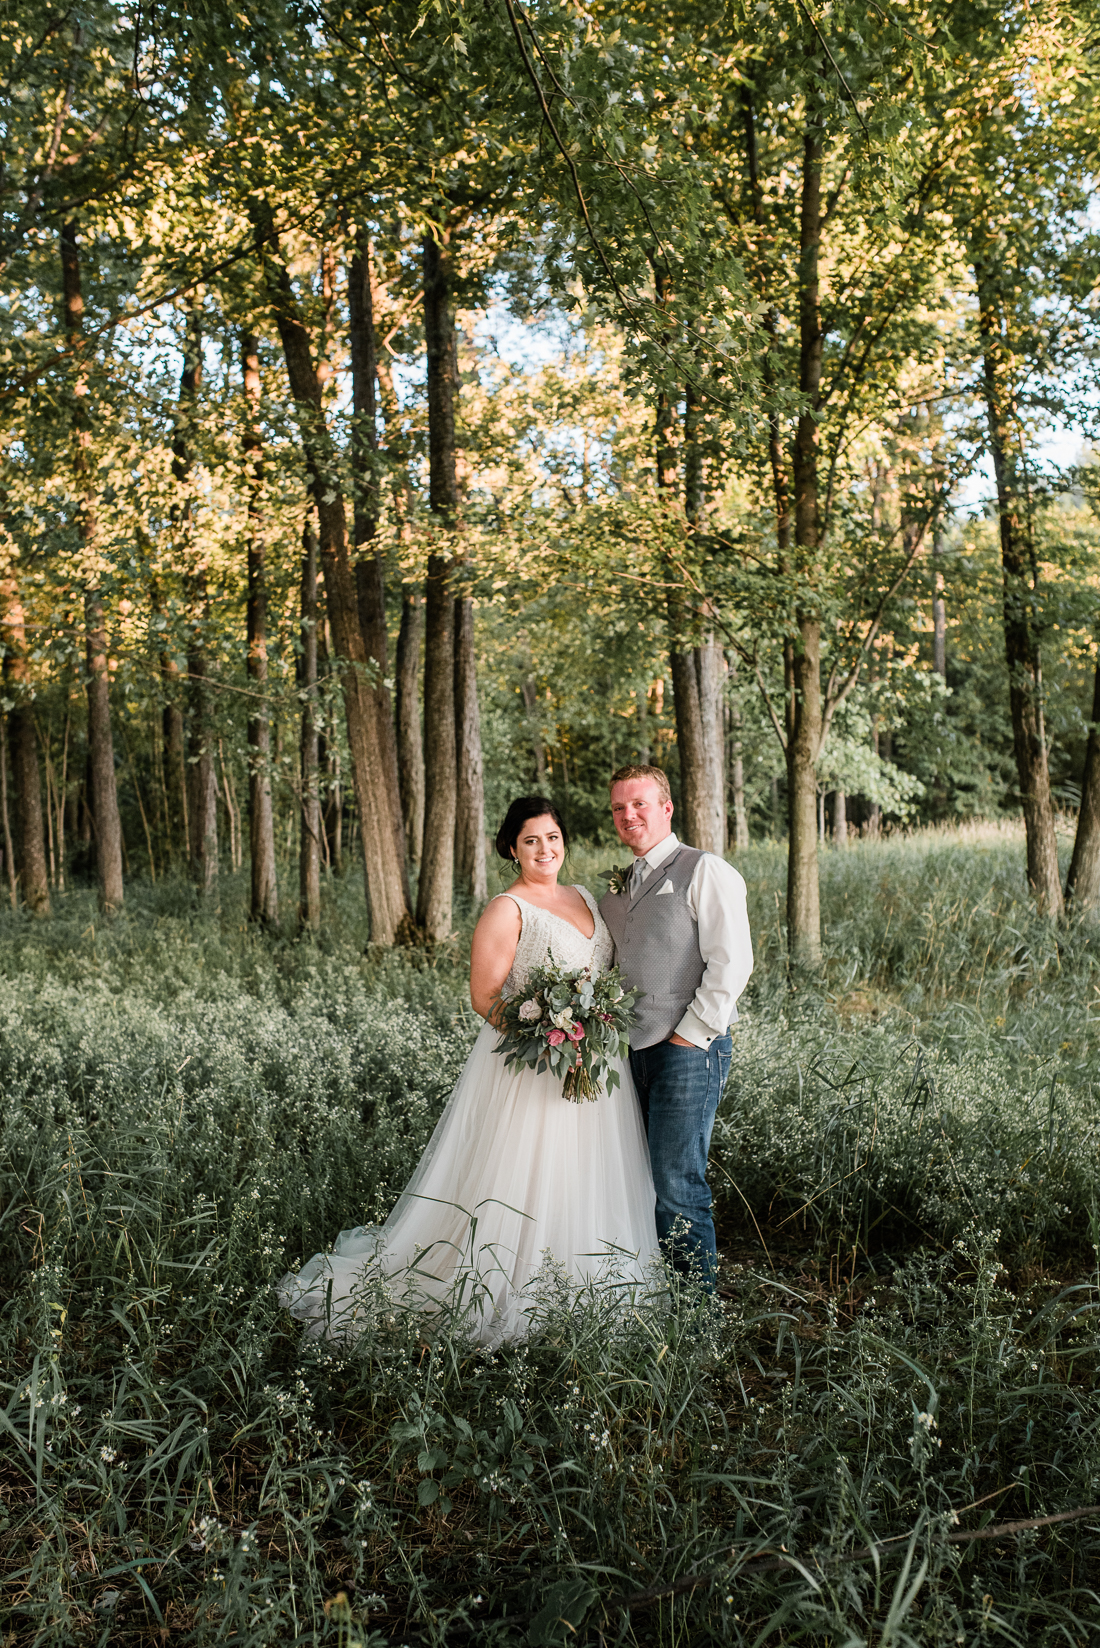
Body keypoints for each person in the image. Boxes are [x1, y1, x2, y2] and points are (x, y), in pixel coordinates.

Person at [279, 797, 659, 1346]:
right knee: (528, 1173)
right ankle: (512, 1283)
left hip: (592, 1064)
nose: (545, 849)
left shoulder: (585, 898)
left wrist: (589, 1030)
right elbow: (485, 997)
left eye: (552, 837)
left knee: (588, 1170)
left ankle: (588, 1278)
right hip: (533, 1066)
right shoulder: (507, 908)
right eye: (531, 841)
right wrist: (554, 1032)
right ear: (512, 848)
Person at [598, 765, 753, 1293]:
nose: (628, 815)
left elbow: (732, 964)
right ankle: (652, 1296)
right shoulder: (620, 885)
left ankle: (697, 1317)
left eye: (639, 804)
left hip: (687, 1049)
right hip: (629, 1052)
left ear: (666, 807)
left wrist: (691, 1035)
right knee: (638, 1180)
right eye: (619, 808)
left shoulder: (705, 870)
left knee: (677, 1183)